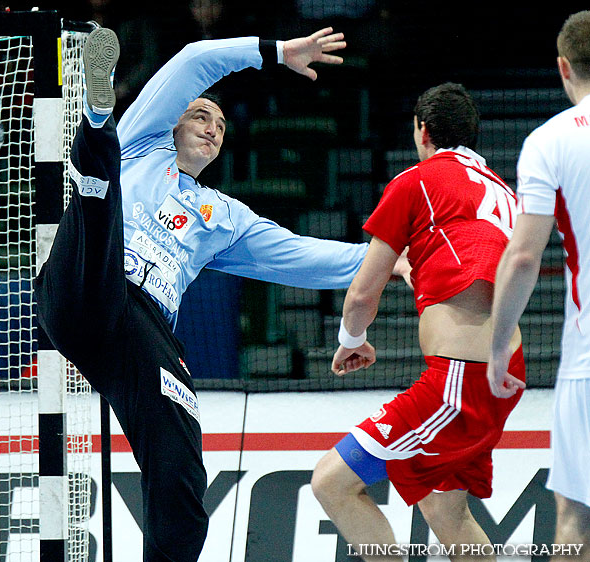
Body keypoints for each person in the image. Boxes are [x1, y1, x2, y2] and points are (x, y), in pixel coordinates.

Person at [35, 25, 409, 562]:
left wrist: (386, 261)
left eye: (222, 124)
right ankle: (95, 125)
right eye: (200, 115)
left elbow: (299, 255)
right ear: (173, 122)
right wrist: (277, 53)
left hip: (142, 332)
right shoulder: (144, 144)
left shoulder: (226, 218)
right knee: (99, 191)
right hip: (81, 286)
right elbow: (194, 60)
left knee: (183, 486)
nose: (213, 128)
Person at [311, 83, 526, 561]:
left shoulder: (416, 181)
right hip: (502, 372)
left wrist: (353, 338)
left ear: (422, 132)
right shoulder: (502, 192)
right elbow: (471, 265)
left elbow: (363, 293)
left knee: (331, 482)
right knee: (445, 511)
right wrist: (416, 267)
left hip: (457, 378)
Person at [487, 11, 590, 559]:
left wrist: (500, 343)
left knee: (576, 517)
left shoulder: (551, 141)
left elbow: (524, 256)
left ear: (563, 67)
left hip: (588, 360)